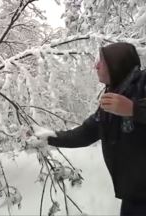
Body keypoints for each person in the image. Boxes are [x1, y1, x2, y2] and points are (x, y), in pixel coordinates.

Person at [35, 42, 146, 216]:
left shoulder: (143, 83)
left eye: (102, 60)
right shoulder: (113, 97)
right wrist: (49, 138)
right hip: (134, 196)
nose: (96, 65)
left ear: (116, 64)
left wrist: (134, 109)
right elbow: (86, 133)